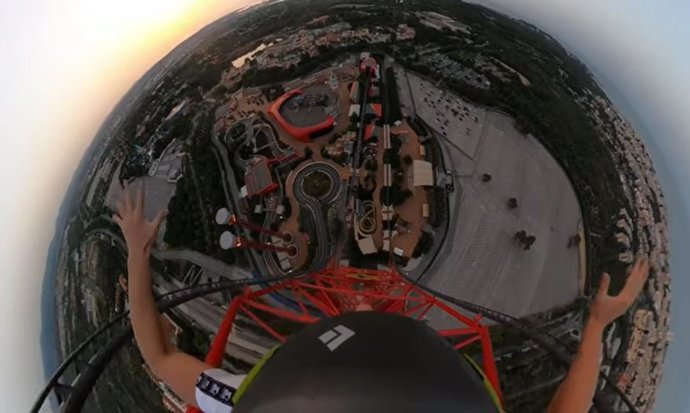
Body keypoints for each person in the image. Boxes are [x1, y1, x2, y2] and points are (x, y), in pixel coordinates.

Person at [114, 184, 648, 412]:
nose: (359, 305)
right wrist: (596, 328)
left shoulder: (241, 397)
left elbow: (159, 357)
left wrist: (139, 254)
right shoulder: (248, 396)